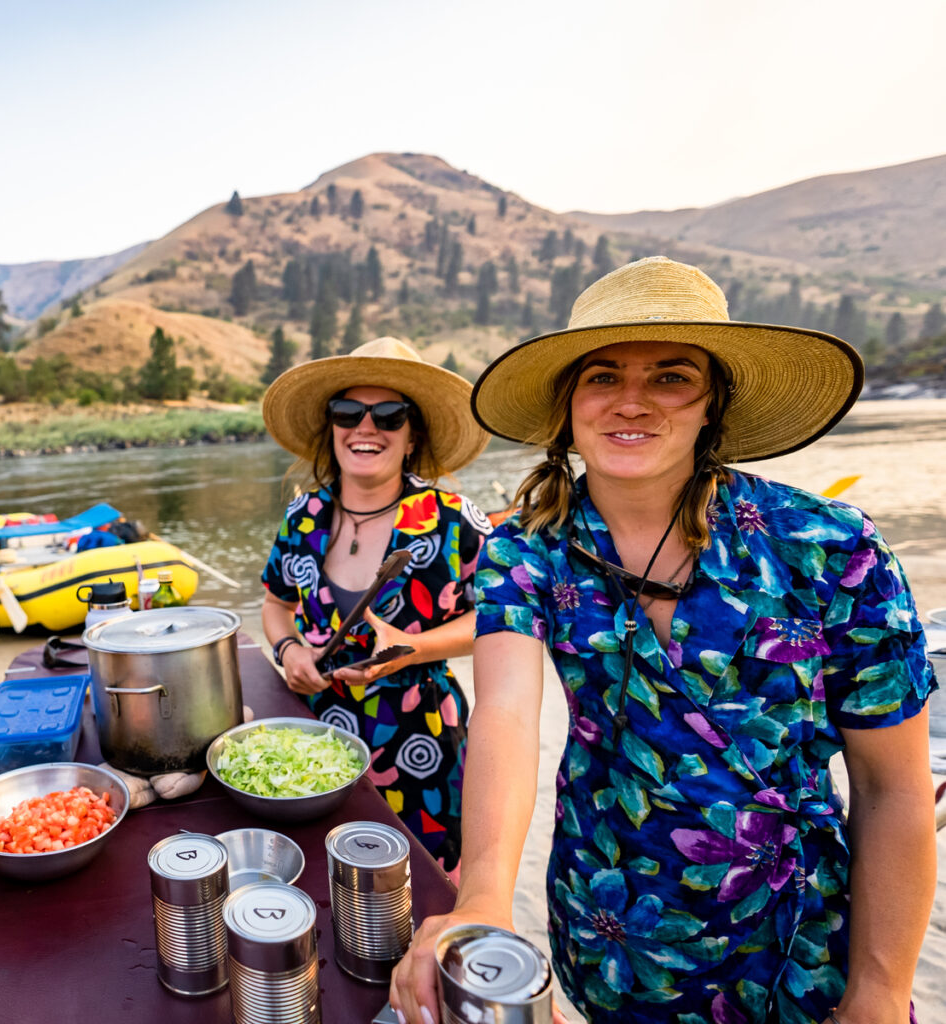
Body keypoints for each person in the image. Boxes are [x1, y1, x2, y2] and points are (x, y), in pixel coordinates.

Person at [390, 257, 938, 1023]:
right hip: (613, 932)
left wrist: (876, 995)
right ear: (568, 403)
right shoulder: (528, 549)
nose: (631, 403)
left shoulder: (828, 545)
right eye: (602, 376)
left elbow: (893, 788)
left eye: (671, 377)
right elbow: (506, 715)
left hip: (805, 946)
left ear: (712, 403)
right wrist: (482, 895)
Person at [259, 336, 492, 868]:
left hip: (422, 737)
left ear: (412, 437)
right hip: (316, 739)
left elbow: (504, 621)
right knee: (322, 876)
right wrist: (290, 650)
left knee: (425, 880)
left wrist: (414, 647)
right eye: (348, 412)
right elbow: (274, 603)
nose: (366, 427)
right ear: (333, 428)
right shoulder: (303, 515)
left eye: (389, 415)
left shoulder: (455, 519)